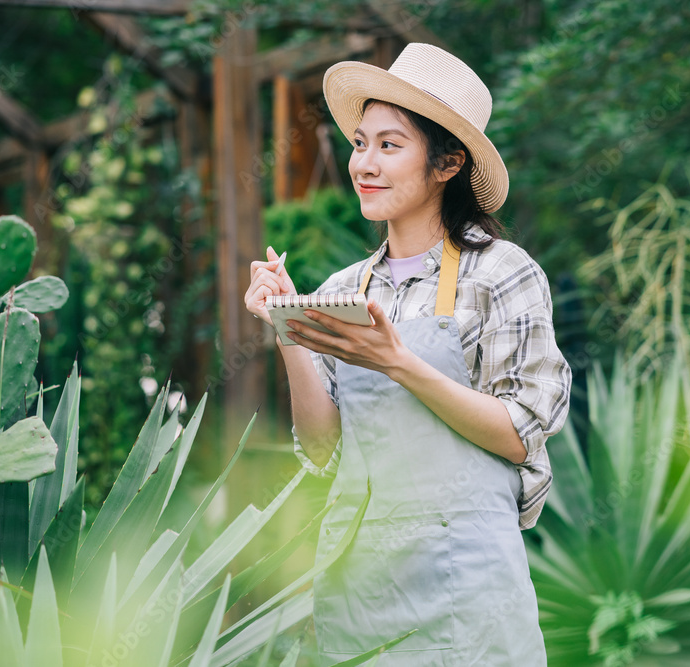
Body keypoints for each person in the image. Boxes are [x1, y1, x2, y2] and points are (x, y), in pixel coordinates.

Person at [244, 42, 571, 666]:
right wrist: (288, 329)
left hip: (471, 595)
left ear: (447, 164)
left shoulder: (502, 275)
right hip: (360, 591)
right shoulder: (344, 291)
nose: (364, 163)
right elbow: (323, 450)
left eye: (389, 146)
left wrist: (398, 360)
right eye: (360, 143)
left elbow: (519, 435)